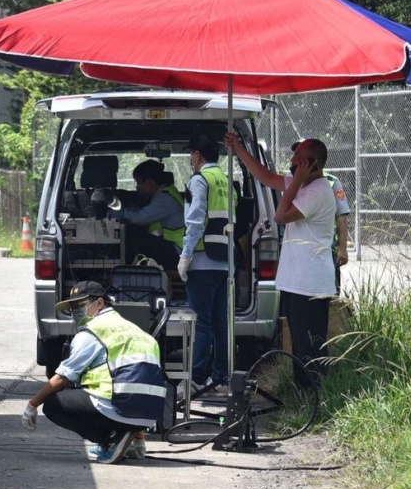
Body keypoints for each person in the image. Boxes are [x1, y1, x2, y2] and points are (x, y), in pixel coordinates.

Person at [226, 132, 338, 384]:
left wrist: (296, 181)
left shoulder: (317, 191)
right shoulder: (303, 185)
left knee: (310, 346)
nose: (292, 161)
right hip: (297, 282)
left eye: (298, 158)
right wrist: (239, 149)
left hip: (309, 283)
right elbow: (265, 177)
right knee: (299, 343)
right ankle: (303, 393)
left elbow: (280, 215)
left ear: (313, 164)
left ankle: (315, 393)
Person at [21, 281, 167, 464]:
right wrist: (139, 440)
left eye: (80, 305)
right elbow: (137, 381)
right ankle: (124, 437)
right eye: (73, 307)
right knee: (114, 391)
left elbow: (63, 378)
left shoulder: (93, 332)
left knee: (52, 404)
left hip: (121, 406)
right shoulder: (136, 330)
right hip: (149, 413)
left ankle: (110, 440)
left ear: (100, 303)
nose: (76, 312)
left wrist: (32, 404)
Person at [181, 133, 232, 393]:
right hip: (224, 261)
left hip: (201, 260)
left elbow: (195, 220)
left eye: (192, 154)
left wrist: (185, 255)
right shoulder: (226, 180)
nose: (191, 158)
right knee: (221, 322)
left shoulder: (200, 180)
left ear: (197, 155)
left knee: (201, 322)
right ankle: (221, 378)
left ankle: (197, 378)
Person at [289, 143, 351, 288]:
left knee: (327, 293)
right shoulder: (293, 181)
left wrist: (343, 249)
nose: (294, 160)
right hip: (300, 252)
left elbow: (341, 217)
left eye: (300, 156)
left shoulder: (331, 182)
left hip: (325, 248)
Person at [110, 159, 184, 270]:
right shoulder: (164, 194)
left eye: (139, 183)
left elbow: (140, 218)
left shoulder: (165, 199)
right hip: (175, 249)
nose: (137, 188)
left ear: (149, 182)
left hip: (177, 252)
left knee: (135, 236)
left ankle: (126, 270)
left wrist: (120, 212)